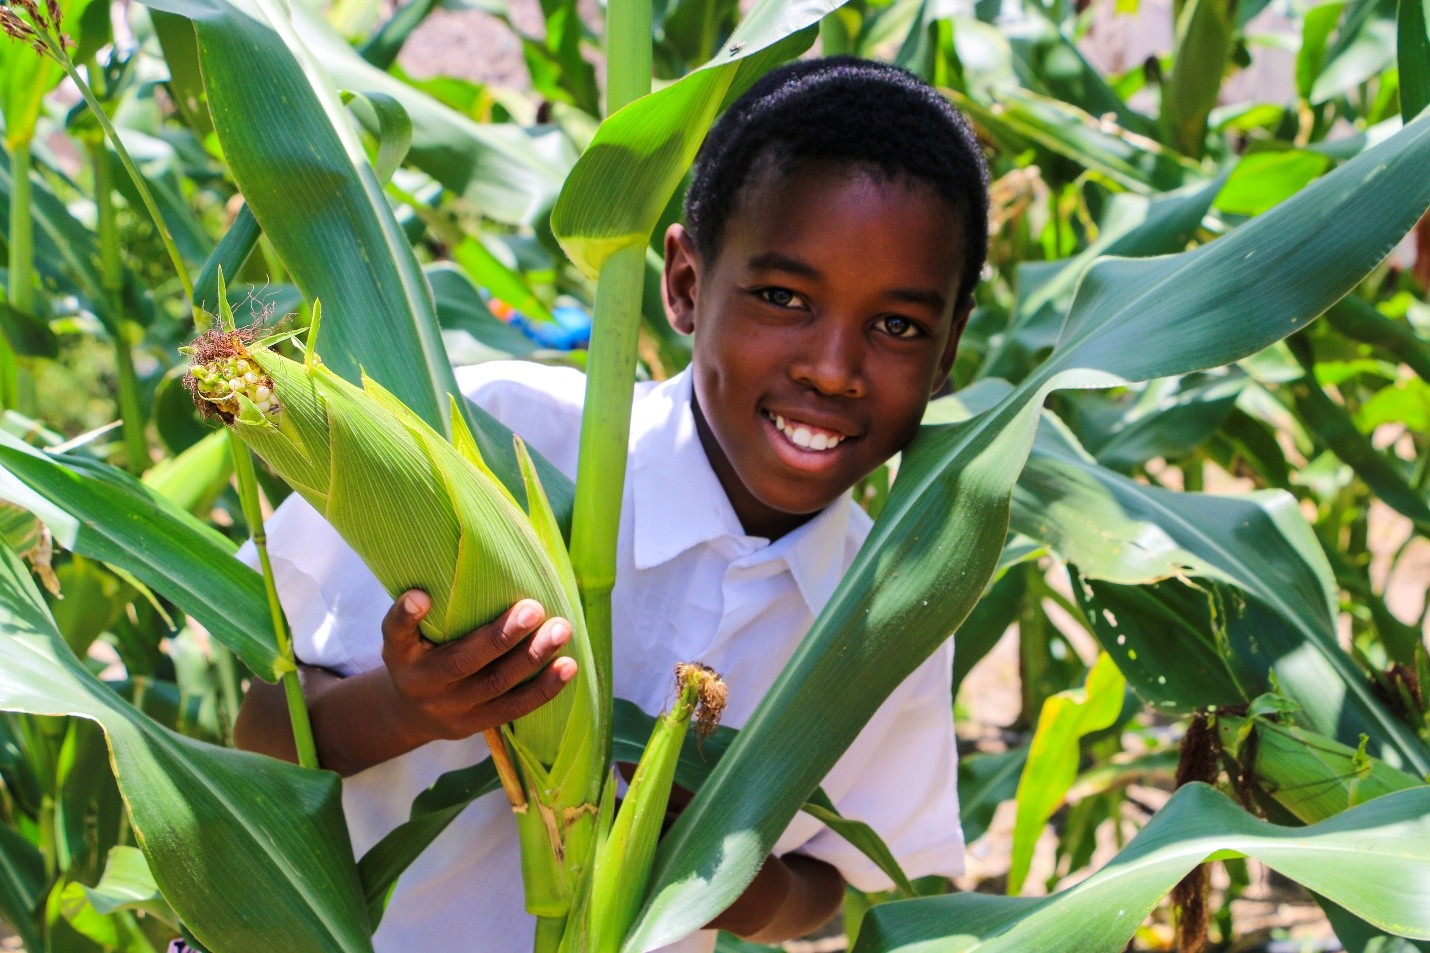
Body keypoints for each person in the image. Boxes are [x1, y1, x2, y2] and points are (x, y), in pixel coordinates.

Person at [234, 55, 990, 951]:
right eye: (784, 298)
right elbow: (257, 732)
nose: (832, 368)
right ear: (685, 284)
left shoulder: (893, 610)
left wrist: (723, 877)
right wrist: (409, 708)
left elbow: (829, 881)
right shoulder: (486, 436)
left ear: (948, 349)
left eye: (898, 325)